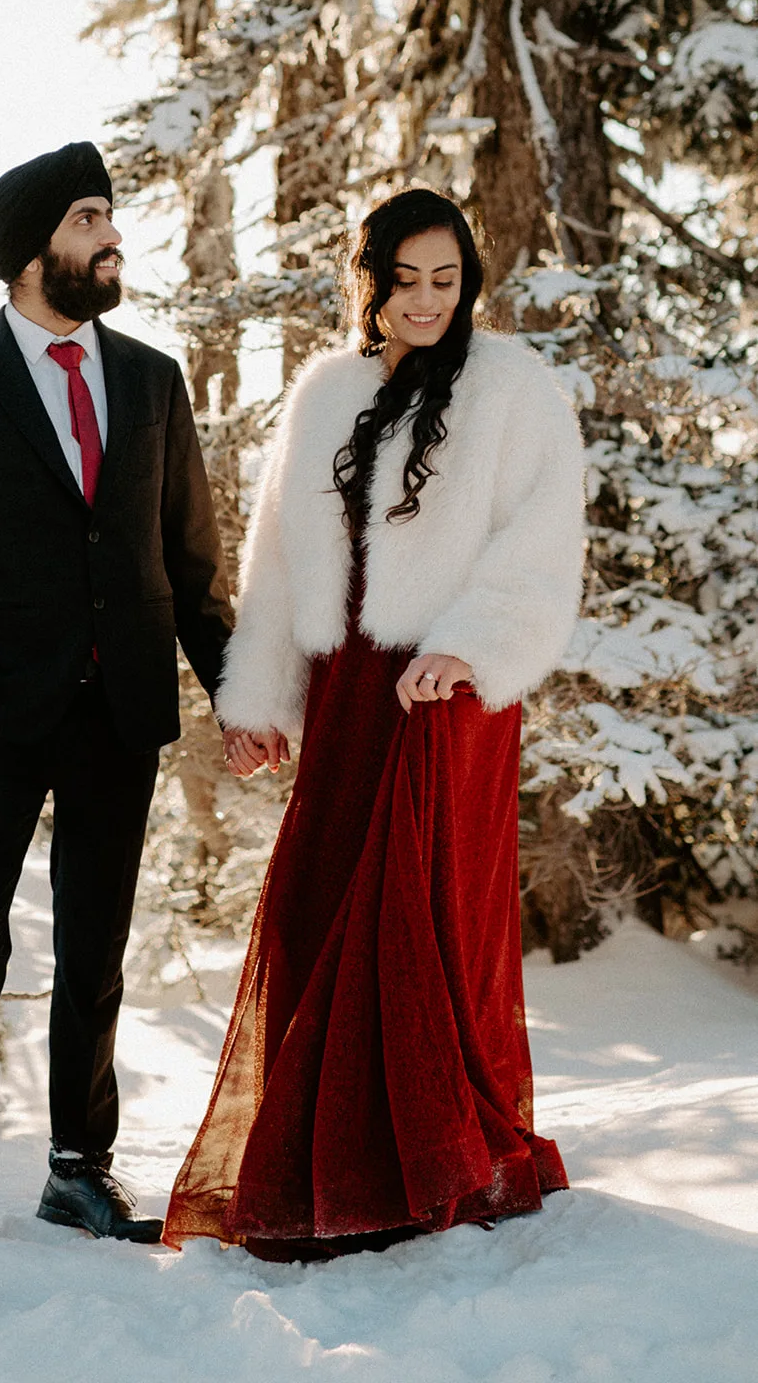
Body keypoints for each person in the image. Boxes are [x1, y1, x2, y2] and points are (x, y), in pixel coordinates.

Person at [163, 188, 585, 1261]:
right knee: (317, 899)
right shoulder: (326, 394)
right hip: (351, 691)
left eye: (448, 280)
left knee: (421, 917)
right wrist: (258, 702)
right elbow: (277, 563)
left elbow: (543, 543)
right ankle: (326, 1166)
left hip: (445, 694)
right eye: (408, 281)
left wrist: (470, 642)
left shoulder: (512, 387)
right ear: (372, 282)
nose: (429, 301)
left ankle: (433, 1158)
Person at [0, 142, 234, 1278]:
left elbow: (191, 564)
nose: (109, 235)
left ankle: (79, 1166)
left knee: (95, 949)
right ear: (31, 252)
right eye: (87, 218)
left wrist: (238, 690)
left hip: (118, 709)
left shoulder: (155, 381)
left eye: (110, 215)